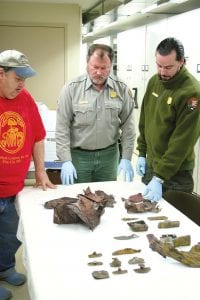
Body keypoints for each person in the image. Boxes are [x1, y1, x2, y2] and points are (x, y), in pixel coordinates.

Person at [0, 49, 55, 300]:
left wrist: (41, 171)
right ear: (1, 74)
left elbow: (37, 137)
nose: (22, 84)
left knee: (10, 235)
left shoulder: (26, 99)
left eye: (25, 79)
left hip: (13, 188)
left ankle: (5, 268)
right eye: (17, 78)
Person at [56, 44, 135, 184]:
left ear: (111, 66)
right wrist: (66, 160)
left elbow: (129, 127)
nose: (98, 72)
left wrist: (126, 158)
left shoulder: (121, 89)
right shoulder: (71, 89)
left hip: (109, 157)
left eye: (103, 68)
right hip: (79, 157)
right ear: (87, 63)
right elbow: (62, 128)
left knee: (107, 197)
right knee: (79, 199)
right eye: (95, 67)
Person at [136, 37, 200, 202]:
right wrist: (142, 152)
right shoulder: (154, 82)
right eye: (159, 65)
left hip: (176, 174)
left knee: (174, 224)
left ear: (182, 62)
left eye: (169, 67)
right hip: (152, 167)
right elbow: (145, 120)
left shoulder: (192, 93)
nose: (163, 72)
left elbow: (183, 141)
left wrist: (160, 177)